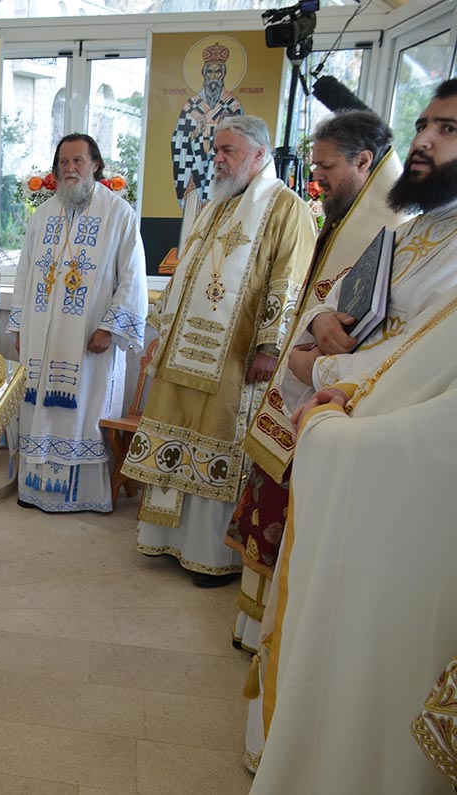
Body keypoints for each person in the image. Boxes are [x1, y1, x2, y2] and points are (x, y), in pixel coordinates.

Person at [238, 79, 457, 779]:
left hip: (382, 458)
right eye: (424, 124)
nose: (423, 140)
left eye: (447, 129)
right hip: (340, 425)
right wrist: (319, 327)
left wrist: (321, 369)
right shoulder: (414, 229)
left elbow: (423, 358)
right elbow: (332, 303)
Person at [249, 280, 457, 793]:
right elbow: (420, 345)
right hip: (347, 400)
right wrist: (346, 382)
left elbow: (438, 441)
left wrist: (326, 425)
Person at [225, 110, 407, 657]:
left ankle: (278, 632)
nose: (317, 178)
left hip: (335, 394)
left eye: (326, 167)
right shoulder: (344, 213)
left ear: (364, 161)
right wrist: (315, 322)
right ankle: (255, 624)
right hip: (305, 370)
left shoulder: (391, 225)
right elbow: (317, 298)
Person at [121, 116, 315, 587]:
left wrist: (270, 346)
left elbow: (289, 281)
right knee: (176, 433)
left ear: (259, 154)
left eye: (229, 150)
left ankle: (209, 554)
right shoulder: (216, 206)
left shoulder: (286, 208)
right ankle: (168, 540)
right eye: (217, 150)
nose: (218, 159)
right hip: (183, 353)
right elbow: (187, 274)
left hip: (235, 357)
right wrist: (164, 329)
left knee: (219, 439)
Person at [8, 133, 148, 512]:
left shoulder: (118, 213)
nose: (70, 169)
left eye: (77, 161)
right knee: (38, 407)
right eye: (63, 162)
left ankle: (82, 494)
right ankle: (35, 489)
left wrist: (110, 328)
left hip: (89, 340)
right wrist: (19, 325)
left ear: (95, 165)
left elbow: (132, 277)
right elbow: (24, 274)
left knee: (84, 410)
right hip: (41, 336)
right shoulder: (42, 215)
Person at [171, 42, 245, 208]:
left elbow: (239, 142)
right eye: (210, 71)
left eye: (218, 72)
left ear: (223, 74)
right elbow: (178, 140)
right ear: (204, 74)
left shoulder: (232, 106)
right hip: (194, 172)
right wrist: (193, 134)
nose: (213, 76)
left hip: (220, 177)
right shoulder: (192, 105)